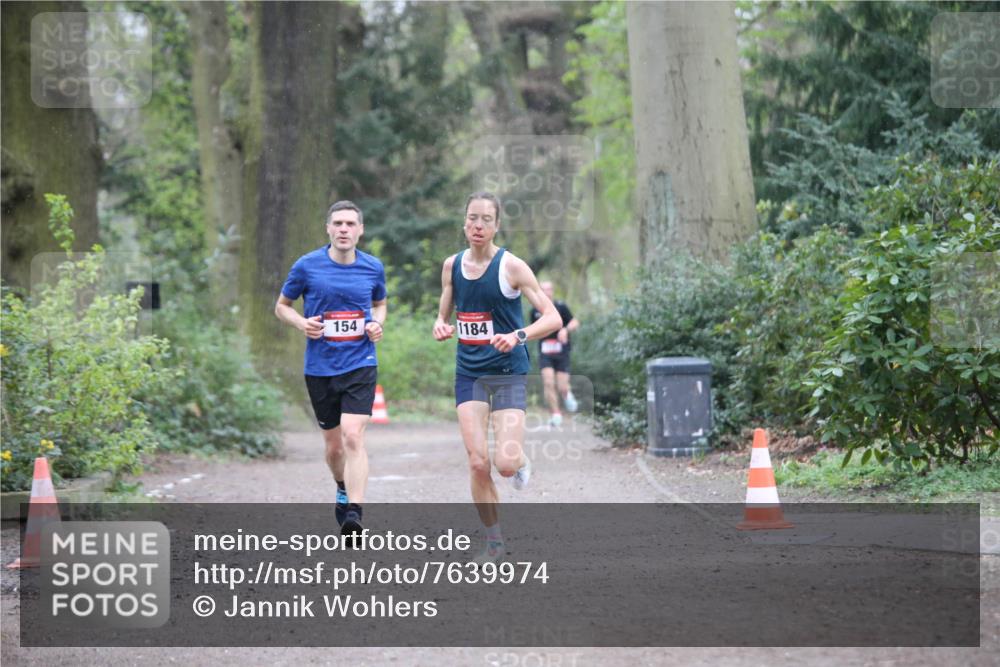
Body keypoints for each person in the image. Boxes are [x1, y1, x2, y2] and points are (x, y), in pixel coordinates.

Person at [433, 192, 562, 564]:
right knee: (477, 462)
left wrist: (518, 335)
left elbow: (552, 318)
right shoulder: (451, 266)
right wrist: (440, 325)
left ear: (497, 225)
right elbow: (444, 313)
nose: (478, 225)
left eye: (486, 219)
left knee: (504, 464)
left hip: (507, 371)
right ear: (464, 222)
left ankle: (519, 461)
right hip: (469, 372)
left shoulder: (513, 267)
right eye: (472, 218)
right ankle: (493, 542)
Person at [275, 200, 387, 539]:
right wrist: (301, 323)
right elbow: (282, 307)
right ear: (328, 228)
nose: (343, 229)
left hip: (360, 362)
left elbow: (380, 304)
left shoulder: (372, 267)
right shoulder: (307, 266)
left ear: (360, 230)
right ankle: (341, 485)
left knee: (353, 435)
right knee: (334, 447)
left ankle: (354, 512)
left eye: (350, 224)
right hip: (320, 367)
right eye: (338, 223)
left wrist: (376, 324)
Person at [530, 281, 581, 428]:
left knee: (562, 386)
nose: (546, 292)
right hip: (545, 352)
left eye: (549, 289)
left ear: (552, 291)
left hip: (561, 351)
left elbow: (575, 322)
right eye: (543, 289)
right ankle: (556, 414)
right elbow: (535, 329)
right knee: (548, 382)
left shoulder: (561, 306)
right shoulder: (535, 311)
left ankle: (567, 394)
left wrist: (565, 330)